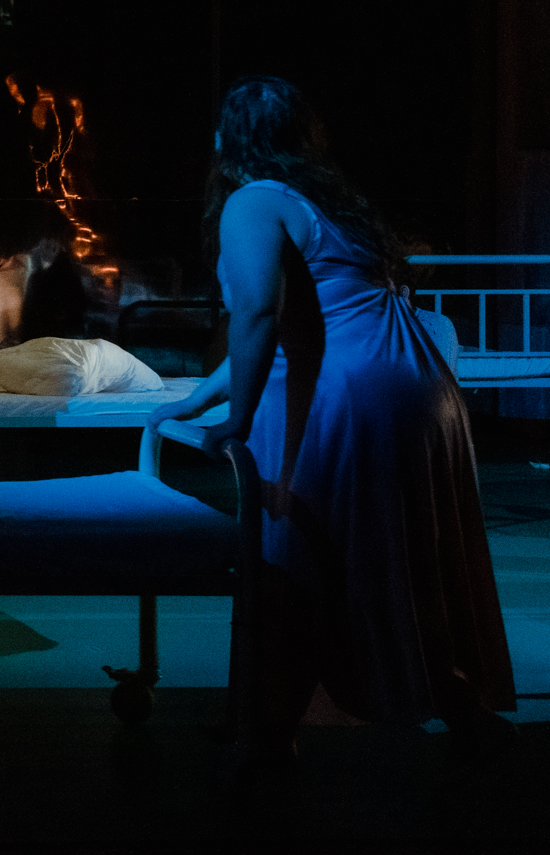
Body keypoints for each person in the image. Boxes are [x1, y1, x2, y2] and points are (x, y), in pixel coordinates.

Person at [146, 76, 515, 777]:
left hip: (348, 395)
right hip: (416, 386)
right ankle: (450, 717)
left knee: (298, 562)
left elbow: (259, 313)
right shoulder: (328, 204)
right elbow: (304, 319)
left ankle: (267, 738)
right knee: (387, 562)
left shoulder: (254, 202)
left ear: (228, 139)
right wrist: (199, 398)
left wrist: (237, 418)